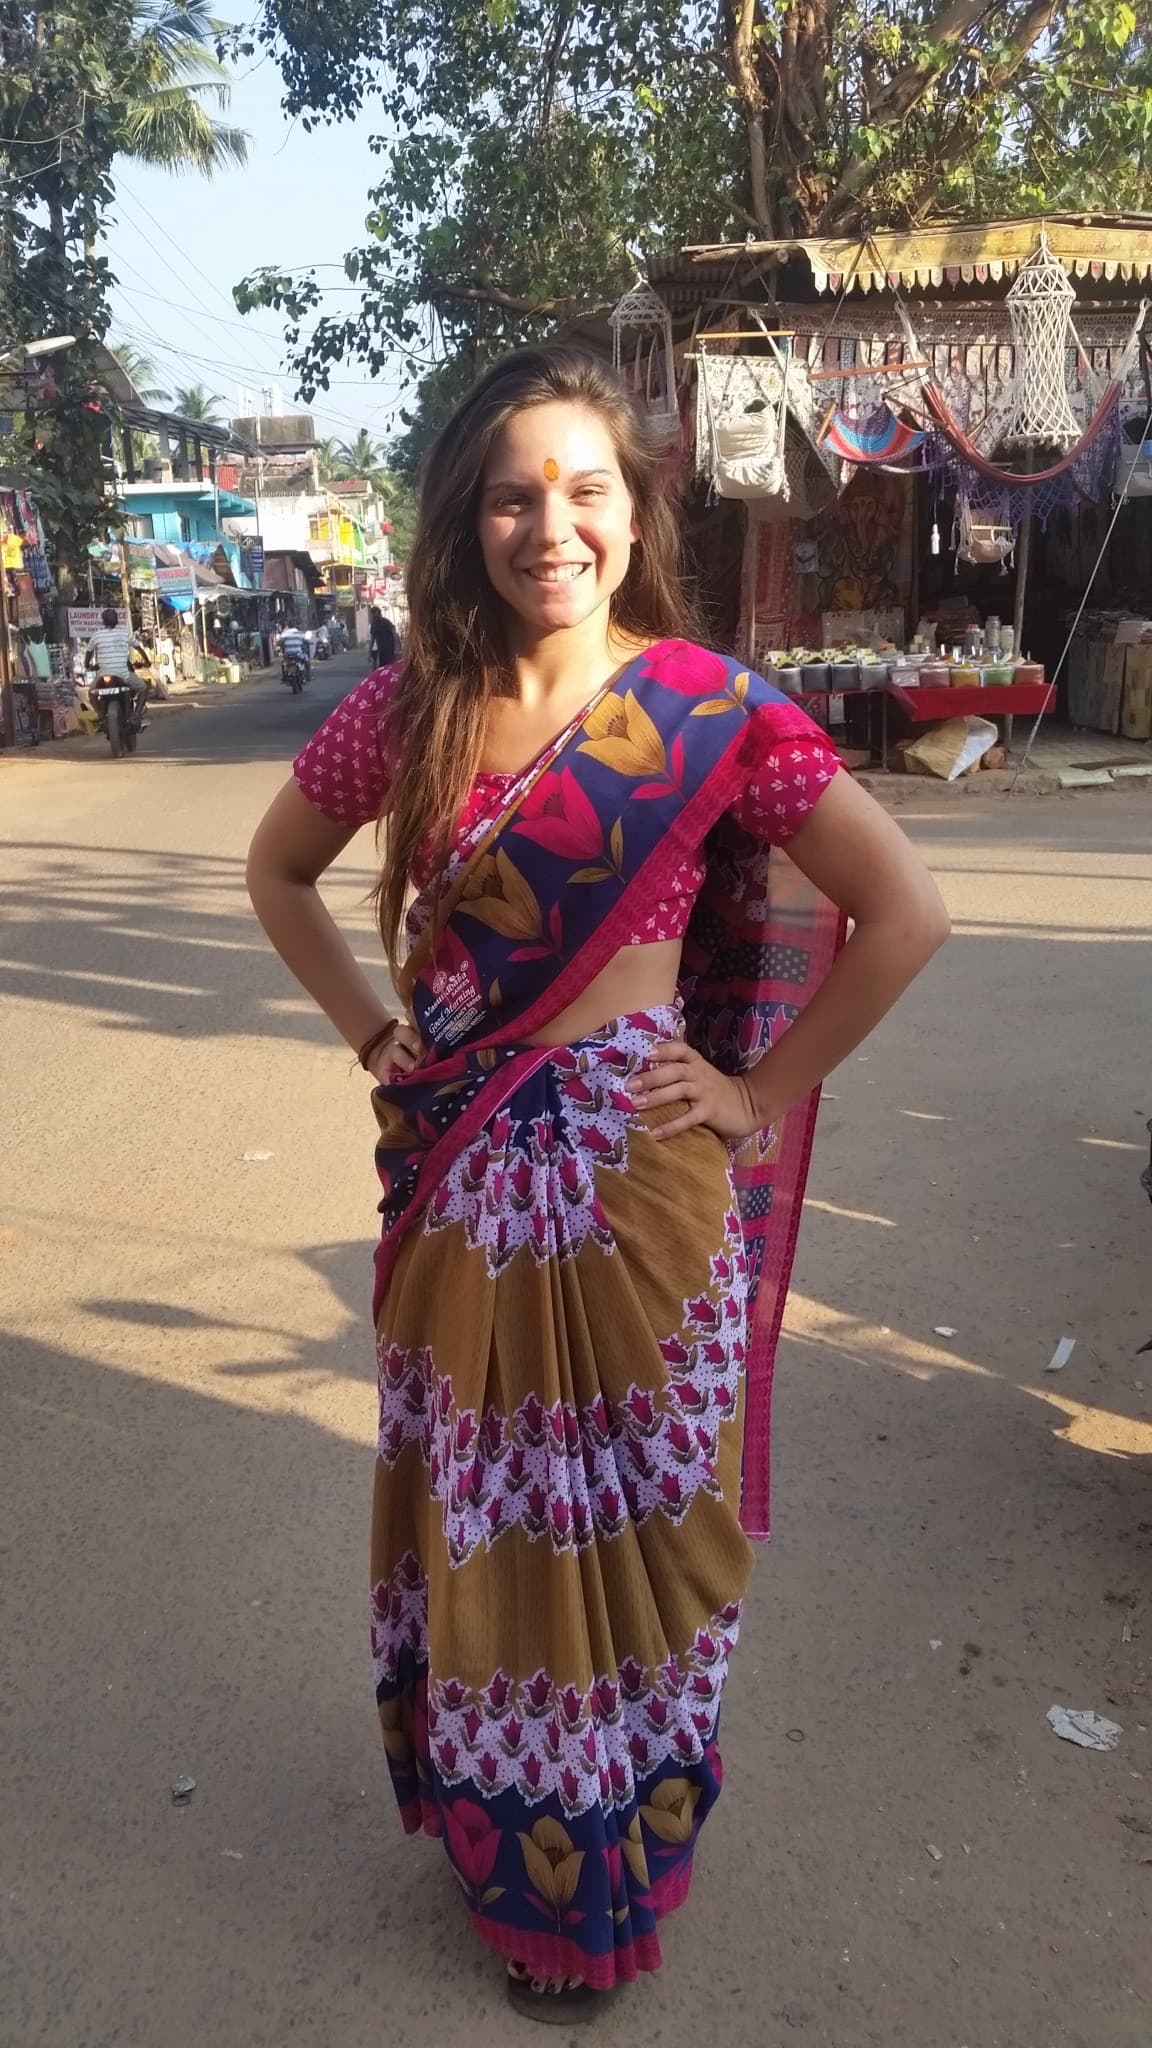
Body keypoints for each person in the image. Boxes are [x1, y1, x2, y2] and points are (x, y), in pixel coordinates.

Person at [247, 346, 949, 2021]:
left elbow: (905, 910)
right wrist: (378, 1034)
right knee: (486, 1526)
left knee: (640, 1529)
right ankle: (522, 1858)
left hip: (644, 1191)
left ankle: (621, 1826)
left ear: (633, 518)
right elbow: (278, 870)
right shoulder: (410, 701)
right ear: (464, 519)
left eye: (580, 488)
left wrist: (761, 1089)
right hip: (460, 1184)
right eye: (508, 492)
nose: (543, 523)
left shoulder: (711, 710)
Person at [85, 607, 148, 721]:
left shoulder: (96, 635)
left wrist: (87, 666)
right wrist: (147, 662)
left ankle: (100, 714)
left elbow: (88, 653)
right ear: (117, 621)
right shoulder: (124, 633)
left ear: (103, 621)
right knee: (143, 688)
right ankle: (137, 715)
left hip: (102, 676)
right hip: (123, 675)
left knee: (91, 693)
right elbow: (139, 648)